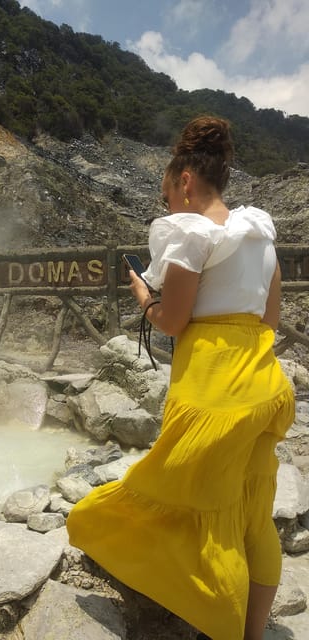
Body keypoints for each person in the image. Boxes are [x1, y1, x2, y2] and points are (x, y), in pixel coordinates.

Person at [66, 115, 295, 640]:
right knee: (254, 521)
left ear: (185, 183)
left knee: (208, 520)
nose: (167, 206)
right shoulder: (261, 235)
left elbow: (173, 322)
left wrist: (144, 297)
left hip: (211, 394)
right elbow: (270, 321)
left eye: (167, 195)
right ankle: (254, 633)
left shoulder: (191, 233)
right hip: (263, 387)